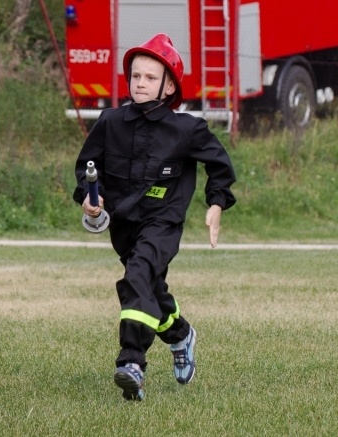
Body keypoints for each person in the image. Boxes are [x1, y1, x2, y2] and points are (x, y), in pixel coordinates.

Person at [73, 33, 236, 401]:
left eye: (150, 77)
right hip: (123, 225)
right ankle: (180, 335)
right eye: (135, 76)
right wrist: (89, 197)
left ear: (169, 87)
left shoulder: (187, 129)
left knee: (137, 277)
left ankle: (132, 363)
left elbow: (220, 165)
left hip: (163, 223)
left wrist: (216, 203)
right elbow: (87, 166)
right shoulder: (110, 121)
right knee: (148, 287)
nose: (140, 83)